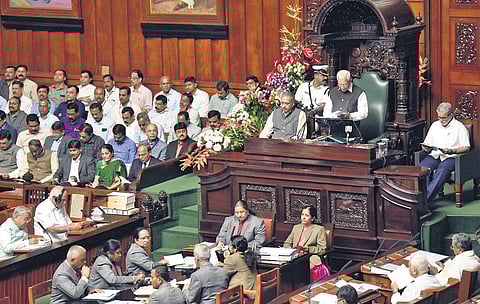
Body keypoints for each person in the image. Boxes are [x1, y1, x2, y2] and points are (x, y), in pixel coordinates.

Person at [419, 102, 470, 202]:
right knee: (422, 168)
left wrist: (451, 150)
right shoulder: (434, 125)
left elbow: (466, 147)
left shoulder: (459, 127)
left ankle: (425, 200)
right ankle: (421, 197)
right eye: (439, 117)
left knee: (442, 169)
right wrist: (426, 148)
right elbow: (427, 143)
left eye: (443, 118)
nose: (441, 120)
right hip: (436, 154)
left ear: (451, 115)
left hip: (452, 157)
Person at [323, 70, 368, 139]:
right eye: (340, 84)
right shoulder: (332, 92)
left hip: (353, 133)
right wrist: (334, 116)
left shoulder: (359, 93)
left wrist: (350, 115)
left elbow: (364, 113)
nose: (342, 87)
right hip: (334, 133)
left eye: (345, 84)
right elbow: (326, 112)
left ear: (350, 81)